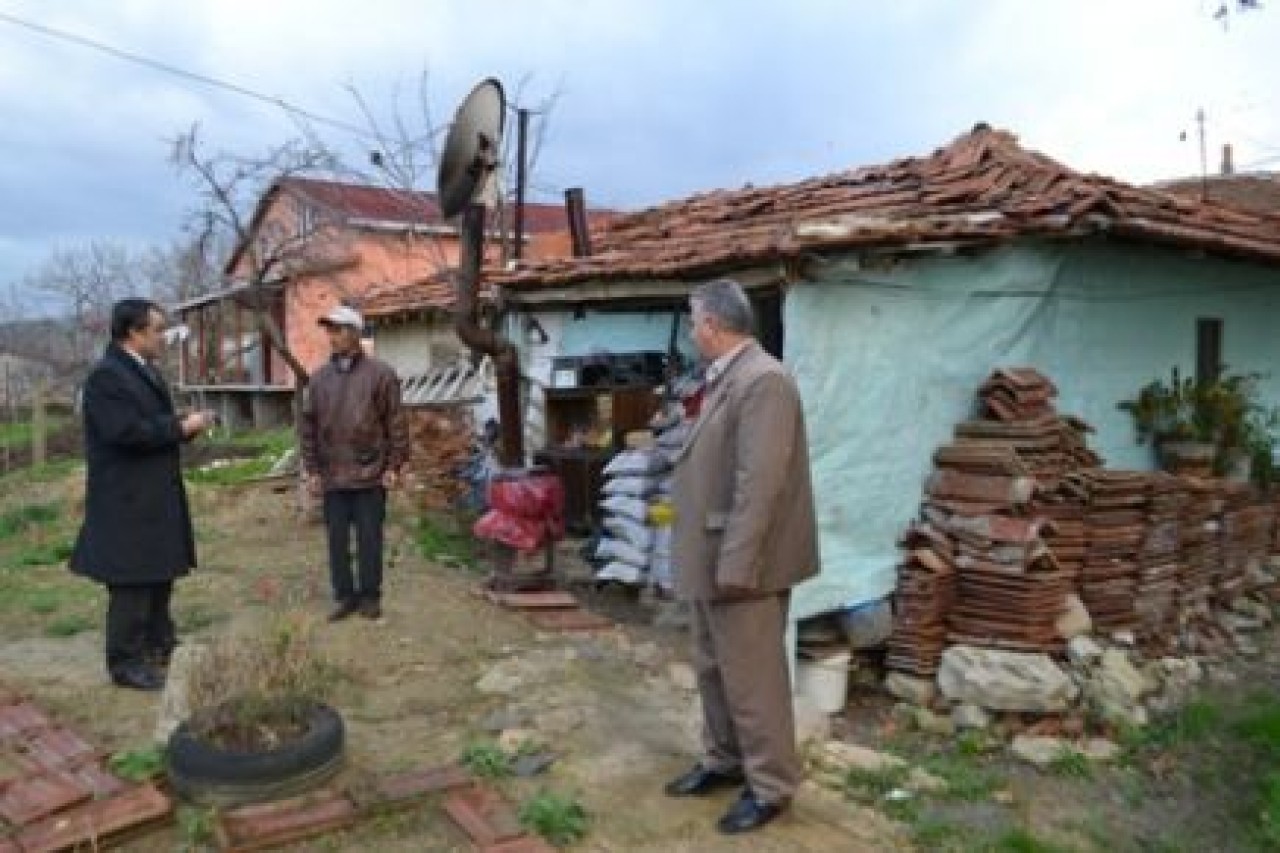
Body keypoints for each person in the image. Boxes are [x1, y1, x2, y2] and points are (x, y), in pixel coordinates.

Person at [665, 278, 820, 834]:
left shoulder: (764, 382)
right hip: (713, 552)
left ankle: (772, 786)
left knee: (754, 679)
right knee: (712, 667)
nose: (691, 331)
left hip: (742, 561)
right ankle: (725, 760)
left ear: (712, 324)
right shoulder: (729, 377)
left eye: (693, 320)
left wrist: (738, 564)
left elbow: (761, 484)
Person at [70, 298, 217, 691]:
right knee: (132, 583)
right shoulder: (107, 378)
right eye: (156, 330)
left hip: (152, 495)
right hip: (126, 500)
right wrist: (179, 428)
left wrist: (180, 425)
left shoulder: (141, 370)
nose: (163, 337)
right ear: (133, 333)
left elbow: (149, 424)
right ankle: (125, 662)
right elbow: (125, 432)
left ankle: (159, 643)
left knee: (158, 574)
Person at [300, 305, 409, 622]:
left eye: (338, 329)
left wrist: (394, 465)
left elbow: (396, 423)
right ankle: (344, 596)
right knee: (336, 542)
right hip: (332, 474)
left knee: (369, 540)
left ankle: (370, 597)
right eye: (329, 330)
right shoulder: (319, 380)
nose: (332, 337)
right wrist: (312, 470)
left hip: (370, 472)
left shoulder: (381, 374)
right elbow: (308, 426)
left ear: (355, 333)